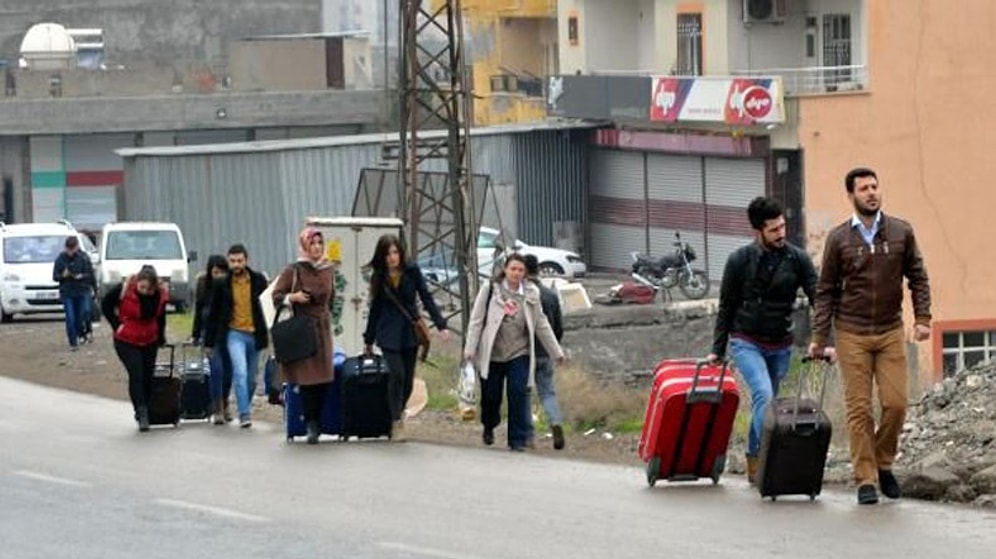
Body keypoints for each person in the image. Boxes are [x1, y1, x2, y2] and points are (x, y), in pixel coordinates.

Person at [809, 167, 932, 505]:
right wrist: (820, 337)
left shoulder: (900, 231)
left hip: (890, 330)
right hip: (851, 333)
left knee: (896, 404)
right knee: (859, 409)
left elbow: (918, 277)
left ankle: (883, 461)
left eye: (875, 186)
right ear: (851, 195)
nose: (872, 193)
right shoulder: (838, 239)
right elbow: (826, 291)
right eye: (864, 188)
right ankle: (865, 478)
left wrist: (922, 318)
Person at [706, 197, 818, 484]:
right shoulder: (739, 260)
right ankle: (774, 459)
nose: (781, 234)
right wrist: (717, 350)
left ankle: (755, 459)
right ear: (758, 231)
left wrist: (825, 338)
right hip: (746, 340)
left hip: (781, 343)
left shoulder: (798, 259)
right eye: (773, 229)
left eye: (783, 226)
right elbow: (726, 306)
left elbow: (820, 299)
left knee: (766, 405)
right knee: (764, 397)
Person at [464, 253, 566, 452]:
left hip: (519, 352)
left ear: (525, 273)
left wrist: (556, 351)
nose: (516, 273)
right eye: (513, 269)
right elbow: (476, 320)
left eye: (520, 270)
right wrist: (470, 349)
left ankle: (517, 439)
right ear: (505, 270)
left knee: (518, 392)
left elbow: (541, 323)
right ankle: (489, 425)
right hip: (493, 352)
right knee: (491, 396)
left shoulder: (531, 292)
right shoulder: (491, 289)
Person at [363, 234, 450, 442]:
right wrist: (368, 339)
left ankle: (397, 413)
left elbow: (426, 297)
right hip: (387, 332)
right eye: (387, 254)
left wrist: (441, 324)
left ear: (400, 253)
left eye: (395, 252)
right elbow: (374, 309)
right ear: (381, 257)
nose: (392, 258)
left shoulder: (412, 271)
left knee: (408, 380)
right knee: (397, 374)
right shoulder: (379, 276)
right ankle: (395, 421)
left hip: (409, 330)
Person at [271, 227, 336, 445]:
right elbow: (277, 296)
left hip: (323, 329)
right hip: (303, 330)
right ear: (305, 246)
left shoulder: (328, 269)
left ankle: (317, 418)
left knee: (325, 379)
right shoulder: (294, 269)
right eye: (312, 243)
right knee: (308, 380)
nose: (317, 247)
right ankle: (311, 424)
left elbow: (332, 298)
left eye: (320, 243)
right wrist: (293, 297)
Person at [204, 244, 269, 428]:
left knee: (251, 379)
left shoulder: (258, 281)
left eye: (239, 260)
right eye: (232, 261)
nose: (236, 264)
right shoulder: (221, 284)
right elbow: (214, 315)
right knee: (239, 372)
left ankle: (244, 404)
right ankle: (244, 414)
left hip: (255, 334)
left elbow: (268, 307)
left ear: (246, 260)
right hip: (234, 334)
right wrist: (209, 343)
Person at [101, 265, 168, 431]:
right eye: (142, 287)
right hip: (126, 340)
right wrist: (117, 325)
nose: (145, 291)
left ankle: (146, 404)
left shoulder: (160, 295)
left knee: (148, 375)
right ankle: (141, 411)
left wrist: (161, 338)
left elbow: (161, 318)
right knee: (136, 373)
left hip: (149, 339)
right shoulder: (124, 289)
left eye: (149, 289)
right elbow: (105, 305)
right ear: (137, 283)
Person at [522, 254, 566, 450]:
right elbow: (558, 327)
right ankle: (555, 421)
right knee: (547, 392)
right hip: (545, 353)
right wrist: (554, 349)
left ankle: (529, 435)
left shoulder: (521, 294)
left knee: (524, 394)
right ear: (538, 270)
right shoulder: (550, 295)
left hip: (523, 353)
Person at [191, 255, 234, 425]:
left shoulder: (230, 286)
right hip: (209, 334)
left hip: (229, 333)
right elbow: (199, 309)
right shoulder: (203, 285)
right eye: (216, 272)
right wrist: (195, 334)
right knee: (216, 369)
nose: (219, 276)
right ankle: (217, 408)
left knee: (229, 370)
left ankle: (225, 401)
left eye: (222, 272)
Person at [53, 236, 96, 351]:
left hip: (82, 290)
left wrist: (83, 277)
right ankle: (73, 342)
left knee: (84, 313)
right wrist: (63, 276)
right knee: (70, 317)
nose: (70, 251)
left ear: (77, 247)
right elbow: (55, 276)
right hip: (68, 292)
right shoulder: (60, 259)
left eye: (72, 248)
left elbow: (90, 274)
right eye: (68, 249)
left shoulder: (83, 257)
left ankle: (85, 330)